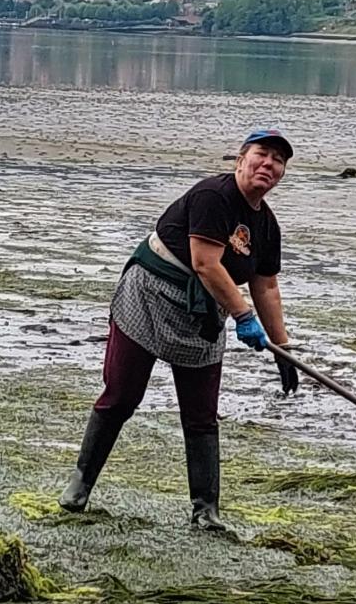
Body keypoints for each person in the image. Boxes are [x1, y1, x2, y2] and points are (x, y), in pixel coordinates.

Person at [57, 129, 300, 534]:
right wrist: (243, 316)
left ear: (281, 175)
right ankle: (80, 486)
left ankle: (205, 511)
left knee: (202, 414)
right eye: (261, 154)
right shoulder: (214, 196)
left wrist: (282, 347)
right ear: (241, 160)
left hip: (202, 314)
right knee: (121, 395)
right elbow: (206, 263)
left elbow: (266, 286)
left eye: (278, 160)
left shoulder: (267, 226)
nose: (268, 164)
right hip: (150, 294)